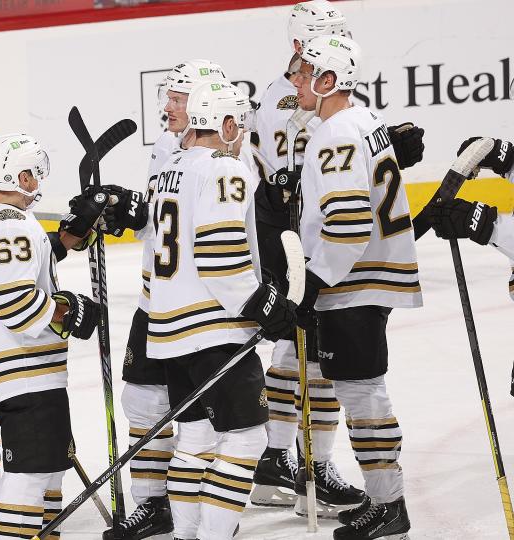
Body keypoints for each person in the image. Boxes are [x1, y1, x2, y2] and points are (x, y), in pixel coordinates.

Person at [144, 80, 296, 540]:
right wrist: (263, 304)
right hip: (215, 329)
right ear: (226, 124)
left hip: (170, 329)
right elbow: (220, 255)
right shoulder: (226, 169)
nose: (243, 135)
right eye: (241, 125)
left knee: (194, 441)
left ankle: (187, 535)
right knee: (247, 437)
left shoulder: (171, 165)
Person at [88, 59, 228, 540]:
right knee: (142, 400)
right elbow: (159, 217)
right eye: (166, 96)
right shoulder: (170, 146)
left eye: (177, 98)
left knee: (204, 417)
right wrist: (122, 208)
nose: (166, 106)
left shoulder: (224, 156)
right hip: (155, 299)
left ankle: (207, 499)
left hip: (198, 309)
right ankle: (155, 505)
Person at [293, 34, 421, 540]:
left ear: (329, 81)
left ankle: (389, 505)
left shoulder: (335, 133)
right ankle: (383, 497)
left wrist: (312, 283)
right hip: (367, 279)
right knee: (360, 390)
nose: (297, 83)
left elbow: (346, 224)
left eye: (305, 75)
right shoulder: (363, 120)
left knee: (362, 393)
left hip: (352, 282)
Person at [249, 0, 365, 514]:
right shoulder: (286, 100)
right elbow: (287, 182)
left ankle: (285, 459)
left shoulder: (295, 90)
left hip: (292, 228)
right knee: (308, 346)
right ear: (300, 44)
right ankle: (296, 462)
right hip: (290, 233)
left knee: (303, 348)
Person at [0, 133, 104, 540]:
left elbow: (10, 267)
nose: (38, 182)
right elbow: (15, 303)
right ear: (21, 176)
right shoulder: (15, 227)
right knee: (30, 476)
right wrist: (68, 310)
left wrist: (67, 238)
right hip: (22, 372)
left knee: (50, 468)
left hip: (4, 370)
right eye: (34, 174)